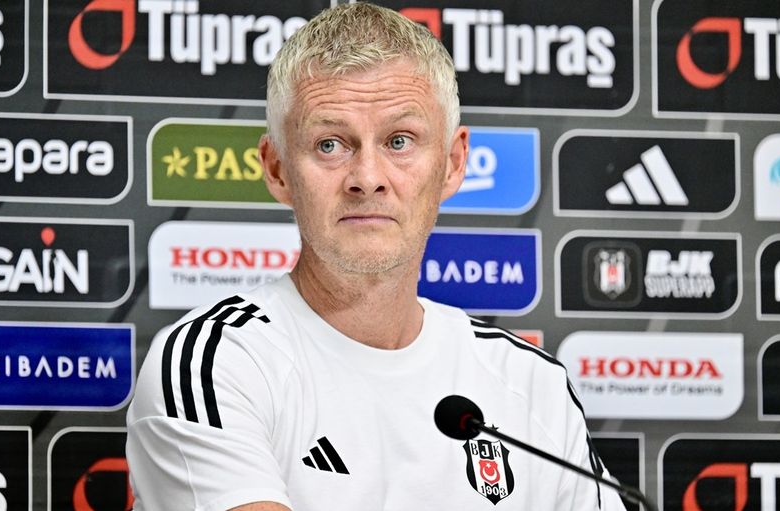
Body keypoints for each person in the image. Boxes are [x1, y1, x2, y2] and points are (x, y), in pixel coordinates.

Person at [126, 3, 627, 510]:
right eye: (330, 145)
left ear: (453, 163)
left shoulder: (531, 382)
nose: (367, 178)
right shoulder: (214, 362)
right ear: (277, 170)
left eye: (399, 141)